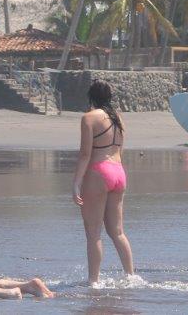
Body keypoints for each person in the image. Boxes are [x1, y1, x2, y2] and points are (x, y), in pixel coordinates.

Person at [72, 79, 134, 284]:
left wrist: (76, 183)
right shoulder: (119, 119)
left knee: (93, 232)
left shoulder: (89, 118)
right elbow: (120, 150)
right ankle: (131, 276)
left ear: (91, 96)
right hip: (119, 172)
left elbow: (84, 154)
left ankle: (93, 282)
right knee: (117, 232)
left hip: (99, 172)